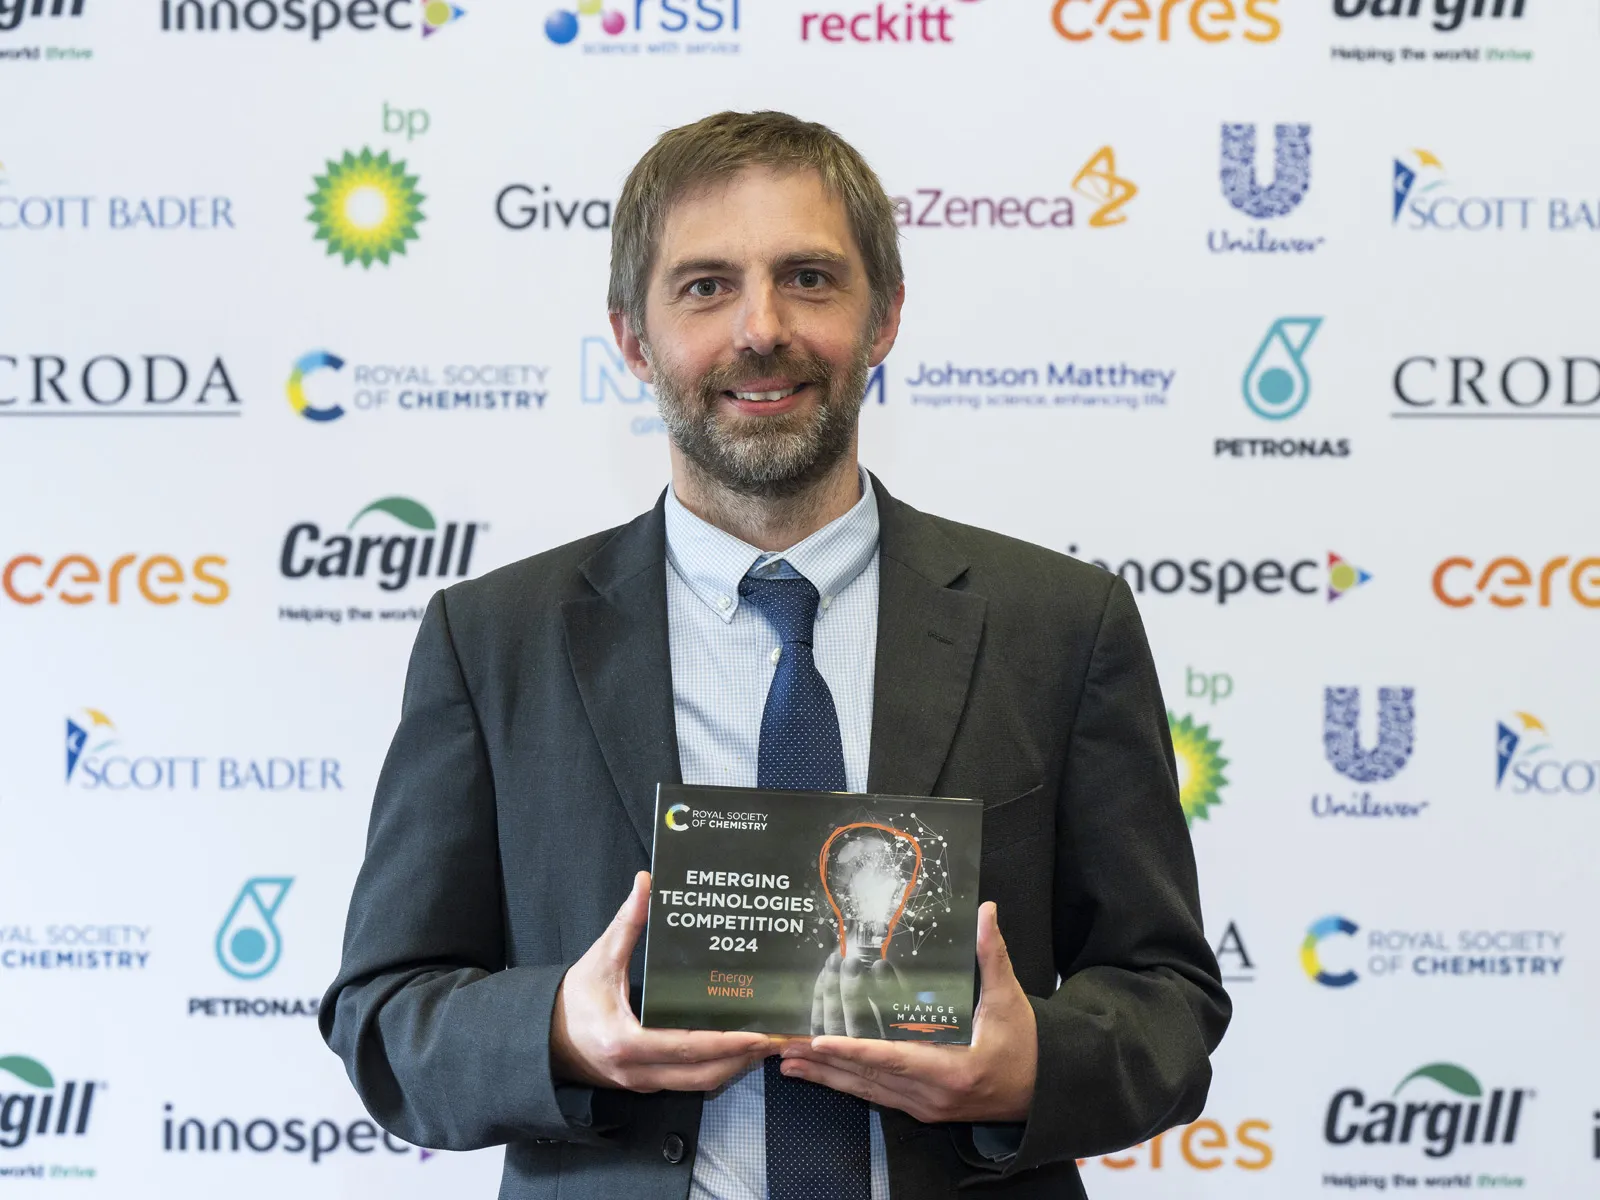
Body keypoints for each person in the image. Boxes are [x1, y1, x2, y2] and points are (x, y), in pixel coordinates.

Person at [321, 109, 1230, 1200]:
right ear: (632, 339)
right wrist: (562, 1030)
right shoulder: (492, 640)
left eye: (808, 278)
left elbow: (1169, 998)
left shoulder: (1059, 624)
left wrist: (1031, 1065)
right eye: (705, 287)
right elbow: (384, 1014)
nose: (761, 329)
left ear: (885, 317)